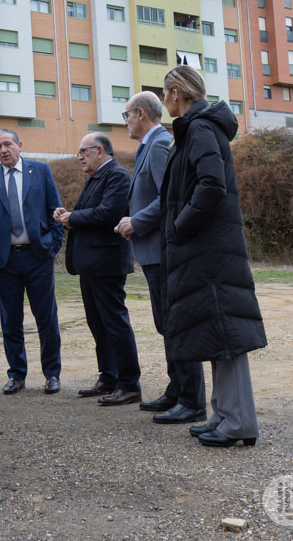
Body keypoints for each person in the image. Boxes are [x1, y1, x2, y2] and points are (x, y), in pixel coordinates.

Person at [158, 65, 268, 448]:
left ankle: (238, 423)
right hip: (205, 249)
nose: (163, 100)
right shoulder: (196, 128)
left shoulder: (201, 128)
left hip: (209, 250)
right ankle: (223, 414)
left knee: (228, 335)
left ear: (176, 93)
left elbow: (211, 185)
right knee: (218, 334)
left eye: (165, 93)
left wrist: (180, 227)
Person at [115, 92, 206, 424]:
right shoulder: (151, 146)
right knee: (167, 323)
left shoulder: (157, 146)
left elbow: (170, 198)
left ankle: (192, 399)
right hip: (155, 251)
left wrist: (136, 221)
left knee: (175, 324)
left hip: (163, 250)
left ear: (140, 114)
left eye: (126, 115)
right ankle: (177, 390)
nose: (124, 121)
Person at [0, 129, 63, 395]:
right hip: (5, 261)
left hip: (38, 256)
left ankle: (52, 374)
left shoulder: (40, 171)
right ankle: (17, 374)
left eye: (8, 144)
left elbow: (55, 211)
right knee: (11, 320)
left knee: (46, 318)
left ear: (19, 145)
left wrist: (52, 246)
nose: (3, 149)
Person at [55, 133, 141, 406]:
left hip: (106, 264)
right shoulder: (96, 178)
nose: (79, 156)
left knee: (114, 323)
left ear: (100, 151)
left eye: (83, 151)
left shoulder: (117, 176)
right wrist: (67, 215)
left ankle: (129, 384)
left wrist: (73, 218)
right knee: (98, 324)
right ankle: (109, 377)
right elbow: (90, 212)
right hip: (91, 265)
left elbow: (108, 213)